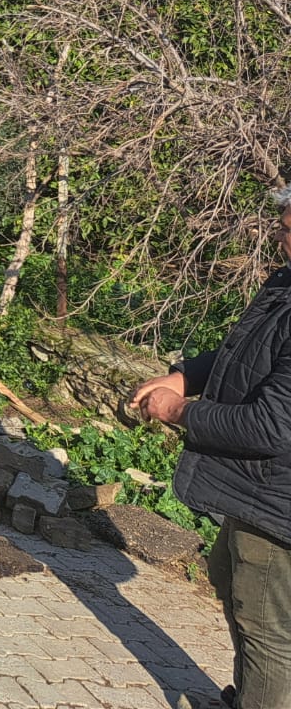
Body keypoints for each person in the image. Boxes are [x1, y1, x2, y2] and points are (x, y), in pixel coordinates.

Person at [130, 190, 291, 709]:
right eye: (282, 226)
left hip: (279, 500)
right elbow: (238, 354)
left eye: (289, 230)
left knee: (265, 624)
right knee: (228, 575)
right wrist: (182, 377)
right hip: (260, 491)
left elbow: (269, 426)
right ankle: (249, 696)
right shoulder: (285, 283)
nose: (279, 239)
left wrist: (176, 411)